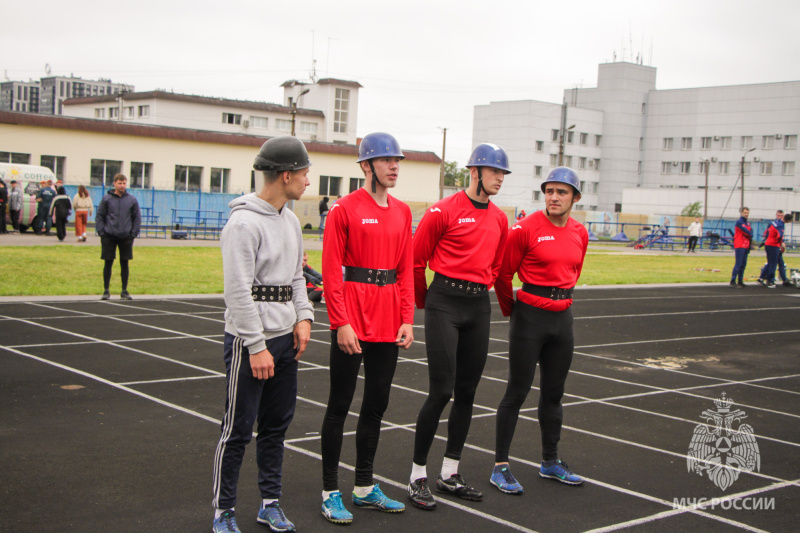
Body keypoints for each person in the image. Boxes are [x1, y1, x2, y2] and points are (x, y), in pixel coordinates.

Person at [211, 136, 314, 533]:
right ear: (286, 175)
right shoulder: (242, 224)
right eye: (304, 173)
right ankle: (224, 510)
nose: (308, 181)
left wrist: (303, 318)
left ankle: (269, 502)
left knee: (276, 427)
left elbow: (296, 276)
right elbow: (237, 291)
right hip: (249, 342)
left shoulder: (289, 219)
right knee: (237, 429)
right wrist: (256, 346)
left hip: (286, 339)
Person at [406, 143, 511, 510]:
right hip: (444, 304)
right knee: (441, 391)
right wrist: (427, 304)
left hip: (478, 306)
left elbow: (497, 266)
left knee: (467, 391)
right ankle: (417, 475)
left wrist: (479, 289)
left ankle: (449, 472)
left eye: (503, 173)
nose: (500, 178)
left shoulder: (500, 219)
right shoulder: (442, 211)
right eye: (494, 171)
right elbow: (417, 262)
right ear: (474, 172)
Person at [319, 132, 414, 524]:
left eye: (397, 160)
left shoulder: (404, 211)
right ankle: (329, 492)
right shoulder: (344, 209)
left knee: (376, 405)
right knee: (339, 405)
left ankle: (363, 487)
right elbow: (330, 271)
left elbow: (406, 269)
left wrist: (408, 317)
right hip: (353, 319)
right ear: (366, 166)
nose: (394, 166)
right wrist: (340, 322)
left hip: (389, 318)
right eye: (386, 160)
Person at [492, 167, 589, 494]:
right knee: (516, 393)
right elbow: (503, 276)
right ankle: (500, 466)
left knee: (554, 394)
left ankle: (550, 462)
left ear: (575, 197)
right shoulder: (525, 228)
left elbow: (574, 270)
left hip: (563, 320)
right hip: (530, 318)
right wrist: (513, 313)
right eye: (549, 191)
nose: (554, 197)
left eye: (562, 192)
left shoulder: (580, 232)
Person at [96, 174, 141, 300]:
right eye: (120, 183)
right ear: (114, 183)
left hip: (126, 237)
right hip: (109, 236)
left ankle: (124, 290)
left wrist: (133, 234)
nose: (122, 186)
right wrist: (102, 232)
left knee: (124, 263)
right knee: (108, 262)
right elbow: (100, 216)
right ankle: (106, 290)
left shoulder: (131, 200)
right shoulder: (107, 199)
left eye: (124, 183)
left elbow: (137, 217)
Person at [762, 213, 793, 288]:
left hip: (768, 243)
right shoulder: (780, 225)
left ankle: (765, 279)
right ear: (788, 220)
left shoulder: (775, 222)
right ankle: (770, 281)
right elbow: (779, 236)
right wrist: (780, 243)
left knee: (772, 263)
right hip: (773, 245)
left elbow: (767, 231)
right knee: (773, 264)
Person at [729, 207, 753, 288]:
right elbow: (747, 232)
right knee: (738, 263)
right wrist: (749, 233)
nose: (746, 214)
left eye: (747, 212)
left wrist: (749, 234)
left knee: (743, 264)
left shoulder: (748, 223)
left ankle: (740, 280)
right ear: (741, 213)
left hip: (746, 245)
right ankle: (733, 281)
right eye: (745, 212)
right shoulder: (739, 222)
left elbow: (751, 233)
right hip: (740, 245)